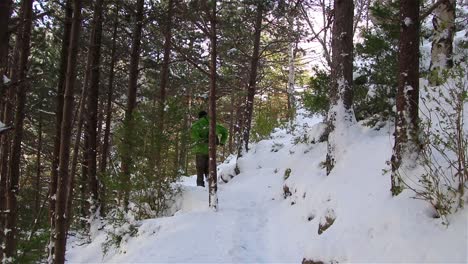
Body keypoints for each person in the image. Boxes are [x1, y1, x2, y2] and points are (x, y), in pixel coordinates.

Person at [191, 110, 228, 187]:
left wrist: (201, 140)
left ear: (199, 117)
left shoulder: (196, 125)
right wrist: (222, 141)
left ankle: (200, 187)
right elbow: (225, 131)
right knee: (210, 170)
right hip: (212, 151)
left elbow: (195, 137)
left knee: (200, 170)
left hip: (200, 151)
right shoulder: (214, 124)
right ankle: (211, 186)